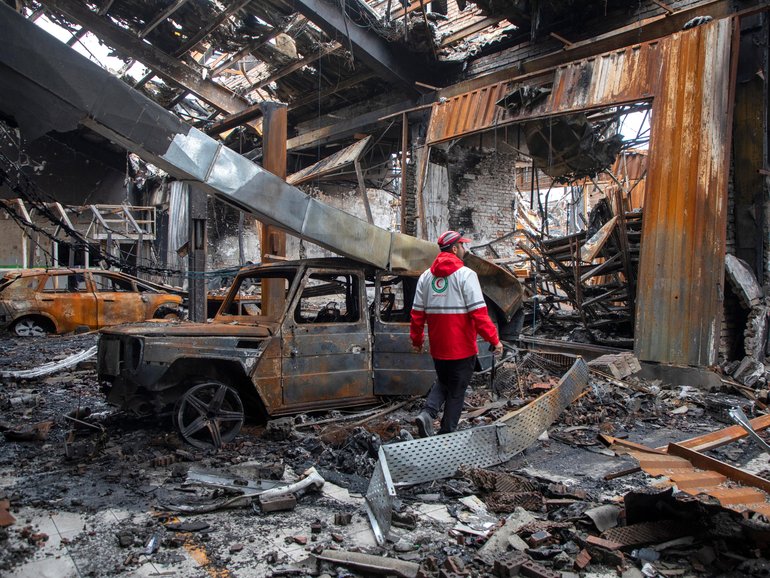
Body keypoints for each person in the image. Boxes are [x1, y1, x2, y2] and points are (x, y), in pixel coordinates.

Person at [410, 230, 503, 437]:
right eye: (463, 245)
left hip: (439, 348)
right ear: (454, 248)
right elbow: (479, 314)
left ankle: (427, 413)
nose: (465, 249)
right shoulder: (466, 275)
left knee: (443, 381)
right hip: (462, 348)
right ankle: (446, 434)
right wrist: (494, 340)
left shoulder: (426, 277)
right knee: (456, 391)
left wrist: (416, 340)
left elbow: (416, 314)